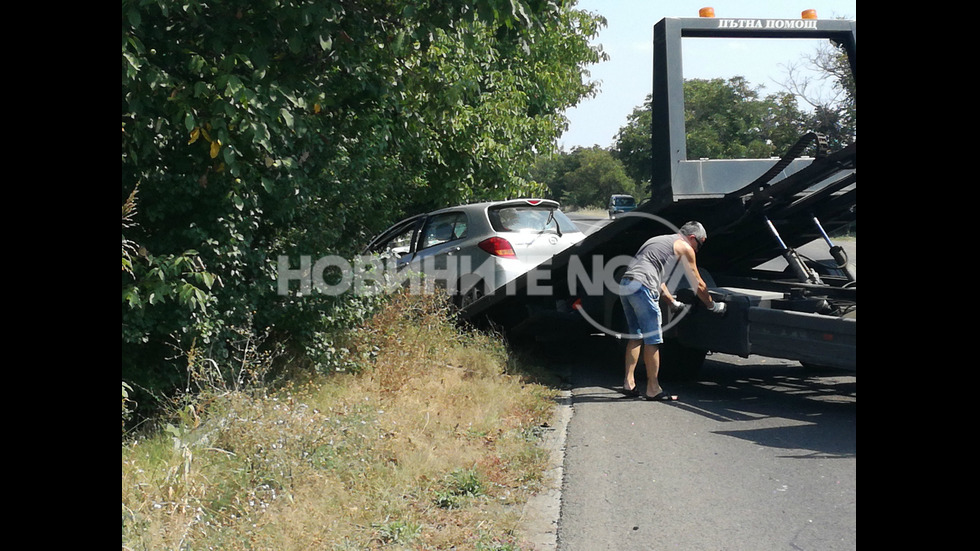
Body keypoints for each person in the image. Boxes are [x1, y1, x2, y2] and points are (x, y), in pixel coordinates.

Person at [619, 221, 726, 401]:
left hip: (627, 283)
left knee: (635, 336)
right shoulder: (685, 247)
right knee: (652, 339)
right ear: (692, 238)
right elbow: (698, 283)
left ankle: (628, 383)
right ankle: (653, 388)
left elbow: (657, 278)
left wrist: (672, 303)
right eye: (700, 244)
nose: (698, 249)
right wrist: (712, 305)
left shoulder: (659, 241)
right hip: (643, 287)